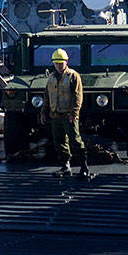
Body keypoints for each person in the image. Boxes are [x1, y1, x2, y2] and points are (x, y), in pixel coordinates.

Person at [43, 48, 90, 177]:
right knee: (59, 142)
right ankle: (65, 167)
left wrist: (74, 114)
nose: (58, 65)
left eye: (61, 62)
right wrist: (44, 112)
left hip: (68, 115)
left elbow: (77, 96)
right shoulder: (51, 77)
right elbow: (47, 96)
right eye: (56, 63)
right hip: (55, 115)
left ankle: (84, 167)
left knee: (75, 140)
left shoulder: (73, 76)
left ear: (66, 62)